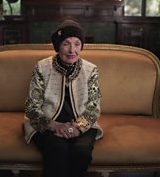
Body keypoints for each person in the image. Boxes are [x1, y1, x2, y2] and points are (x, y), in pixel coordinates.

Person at [24, 20, 103, 177]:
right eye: (66, 43)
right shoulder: (41, 67)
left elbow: (94, 107)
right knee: (57, 150)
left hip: (82, 124)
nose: (72, 50)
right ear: (58, 45)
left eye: (77, 44)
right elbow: (32, 107)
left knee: (81, 153)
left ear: (81, 47)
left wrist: (77, 127)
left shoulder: (91, 69)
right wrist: (53, 126)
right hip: (46, 123)